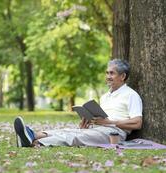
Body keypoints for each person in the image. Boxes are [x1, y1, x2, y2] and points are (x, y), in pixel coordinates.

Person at [14, 59, 143, 147]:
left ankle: (35, 143)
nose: (108, 76)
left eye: (112, 73)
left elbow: (137, 123)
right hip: (98, 129)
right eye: (107, 73)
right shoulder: (105, 96)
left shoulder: (131, 95)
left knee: (76, 137)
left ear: (122, 76)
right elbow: (101, 118)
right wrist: (88, 121)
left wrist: (109, 123)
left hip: (114, 134)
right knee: (69, 130)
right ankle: (32, 135)